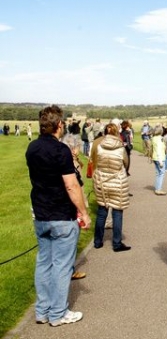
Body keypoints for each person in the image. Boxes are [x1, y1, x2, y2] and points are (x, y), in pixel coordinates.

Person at [25, 105, 91, 327]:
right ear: (59, 125)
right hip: (61, 214)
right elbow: (71, 185)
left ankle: (42, 310)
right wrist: (83, 212)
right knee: (62, 266)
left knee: (44, 263)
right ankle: (58, 313)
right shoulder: (61, 150)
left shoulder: (32, 148)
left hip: (40, 214)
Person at [91, 123, 131, 252]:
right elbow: (126, 163)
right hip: (117, 182)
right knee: (117, 213)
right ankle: (116, 243)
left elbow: (96, 162)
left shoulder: (99, 147)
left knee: (102, 212)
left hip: (102, 181)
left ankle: (97, 241)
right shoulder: (120, 148)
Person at [61, 133, 88, 281]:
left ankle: (68, 268)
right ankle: (68, 270)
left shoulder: (71, 160)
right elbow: (74, 185)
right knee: (70, 240)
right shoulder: (69, 162)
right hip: (73, 205)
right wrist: (83, 210)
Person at [151, 124, 167, 195]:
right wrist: (160, 161)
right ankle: (158, 189)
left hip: (155, 157)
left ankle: (157, 187)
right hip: (159, 158)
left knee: (158, 173)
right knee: (161, 173)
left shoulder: (154, 138)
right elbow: (159, 150)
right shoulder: (160, 139)